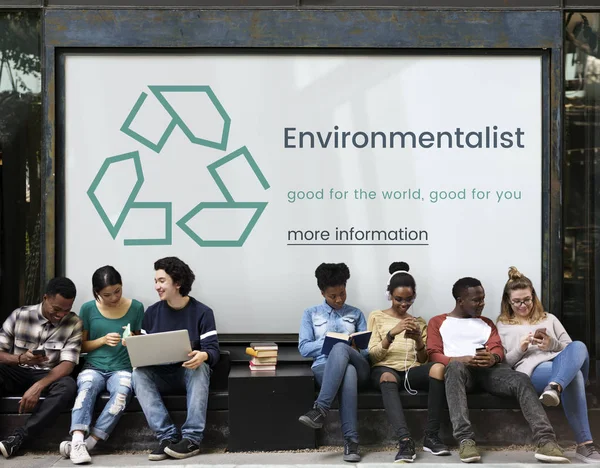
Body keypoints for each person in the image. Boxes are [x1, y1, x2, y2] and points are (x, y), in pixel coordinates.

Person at [427, 277, 568, 463]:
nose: (482, 304)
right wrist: (460, 359)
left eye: (483, 299)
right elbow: (433, 354)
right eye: (476, 300)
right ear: (460, 301)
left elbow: (497, 349)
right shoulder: (438, 322)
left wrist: (492, 358)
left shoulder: (487, 323)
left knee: (520, 379)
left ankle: (546, 441)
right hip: (460, 372)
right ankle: (465, 440)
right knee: (453, 368)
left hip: (489, 372)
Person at [497, 266, 600, 463]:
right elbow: (505, 364)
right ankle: (585, 445)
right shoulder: (502, 325)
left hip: (560, 365)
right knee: (575, 376)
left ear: (533, 296)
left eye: (527, 300)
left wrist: (551, 344)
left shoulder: (549, 318)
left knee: (579, 345)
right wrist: (521, 348)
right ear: (508, 301)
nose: (523, 305)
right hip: (533, 371)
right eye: (517, 301)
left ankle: (555, 387)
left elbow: (572, 350)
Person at [131, 257, 219, 461]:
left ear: (177, 283)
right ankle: (167, 437)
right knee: (138, 373)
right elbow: (144, 350)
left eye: (161, 281)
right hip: (160, 373)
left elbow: (213, 350)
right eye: (156, 281)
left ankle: (191, 439)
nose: (157, 287)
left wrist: (203, 355)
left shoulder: (202, 313)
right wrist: (134, 346)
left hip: (188, 372)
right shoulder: (151, 313)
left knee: (201, 367)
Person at [58, 266, 144, 464]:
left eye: (117, 291)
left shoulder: (137, 307)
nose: (114, 297)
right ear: (96, 292)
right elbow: (80, 346)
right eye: (107, 294)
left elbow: (140, 345)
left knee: (121, 395)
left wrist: (131, 340)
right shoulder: (88, 309)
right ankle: (78, 440)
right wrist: (103, 340)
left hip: (123, 368)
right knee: (86, 389)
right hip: (94, 367)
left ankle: (89, 444)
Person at [367, 261, 449, 462]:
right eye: (398, 299)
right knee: (387, 376)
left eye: (409, 299)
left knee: (438, 368)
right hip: (385, 369)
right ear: (389, 296)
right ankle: (405, 440)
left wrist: (419, 341)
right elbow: (372, 356)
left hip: (411, 371)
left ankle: (431, 436)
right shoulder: (376, 316)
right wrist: (391, 334)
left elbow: (423, 360)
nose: (404, 304)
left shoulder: (419, 322)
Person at [0, 277, 82, 459]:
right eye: (56, 309)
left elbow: (68, 364)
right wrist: (20, 358)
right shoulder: (20, 315)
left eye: (66, 310)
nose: (61, 315)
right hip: (16, 371)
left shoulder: (74, 323)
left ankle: (19, 438)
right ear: (45, 298)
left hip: (47, 375)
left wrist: (39, 386)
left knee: (68, 385)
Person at [298, 262, 370, 463]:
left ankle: (320, 409)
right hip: (325, 367)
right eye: (333, 296)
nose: (339, 299)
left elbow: (367, 353)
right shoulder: (310, 314)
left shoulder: (356, 313)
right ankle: (351, 442)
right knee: (347, 372)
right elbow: (304, 348)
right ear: (322, 293)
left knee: (343, 352)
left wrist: (351, 347)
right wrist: (330, 339)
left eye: (342, 293)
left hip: (359, 365)